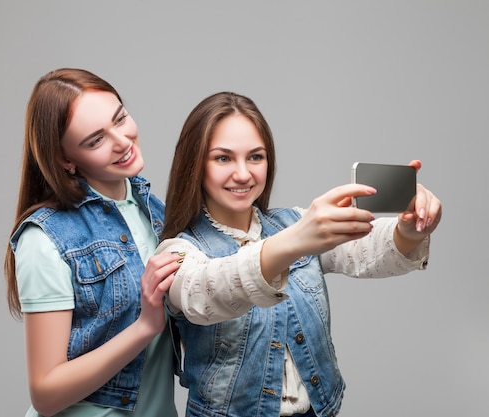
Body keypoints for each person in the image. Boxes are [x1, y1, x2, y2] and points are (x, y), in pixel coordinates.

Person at [156, 91, 442, 417]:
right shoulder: (178, 251)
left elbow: (368, 250)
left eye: (255, 157)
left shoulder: (294, 222)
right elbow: (207, 292)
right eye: (223, 158)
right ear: (195, 165)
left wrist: (410, 229)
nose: (243, 173)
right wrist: (294, 241)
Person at [4, 68, 183, 417]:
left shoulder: (154, 212)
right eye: (96, 140)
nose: (122, 141)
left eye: (121, 118)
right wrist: (145, 327)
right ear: (65, 160)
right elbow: (46, 393)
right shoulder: (45, 240)